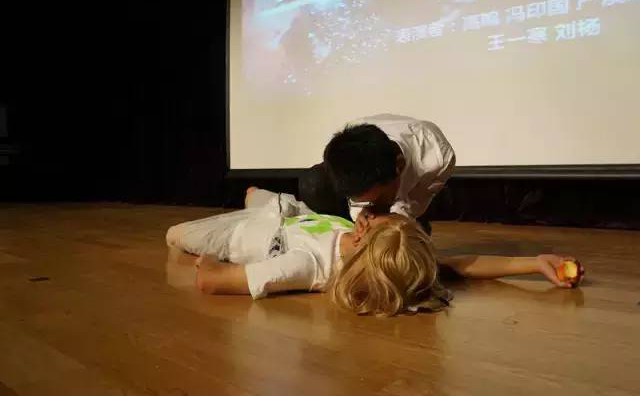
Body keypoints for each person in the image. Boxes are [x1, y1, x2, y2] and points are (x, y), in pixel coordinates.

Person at [166, 188, 584, 316]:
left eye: (376, 218)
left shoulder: (306, 266)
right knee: (259, 193)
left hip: (245, 234)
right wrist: (533, 263)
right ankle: (259, 197)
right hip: (297, 215)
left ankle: (246, 207)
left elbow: (214, 281)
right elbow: (461, 265)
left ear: (364, 235)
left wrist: (212, 262)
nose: (370, 215)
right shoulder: (383, 253)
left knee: (174, 234)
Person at [300, 114, 456, 234]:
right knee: (313, 184)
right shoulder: (347, 146)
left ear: (399, 166)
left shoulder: (438, 158)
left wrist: (387, 217)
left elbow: (416, 204)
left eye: (378, 197)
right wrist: (360, 215)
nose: (371, 204)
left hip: (414, 195)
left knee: (407, 239)